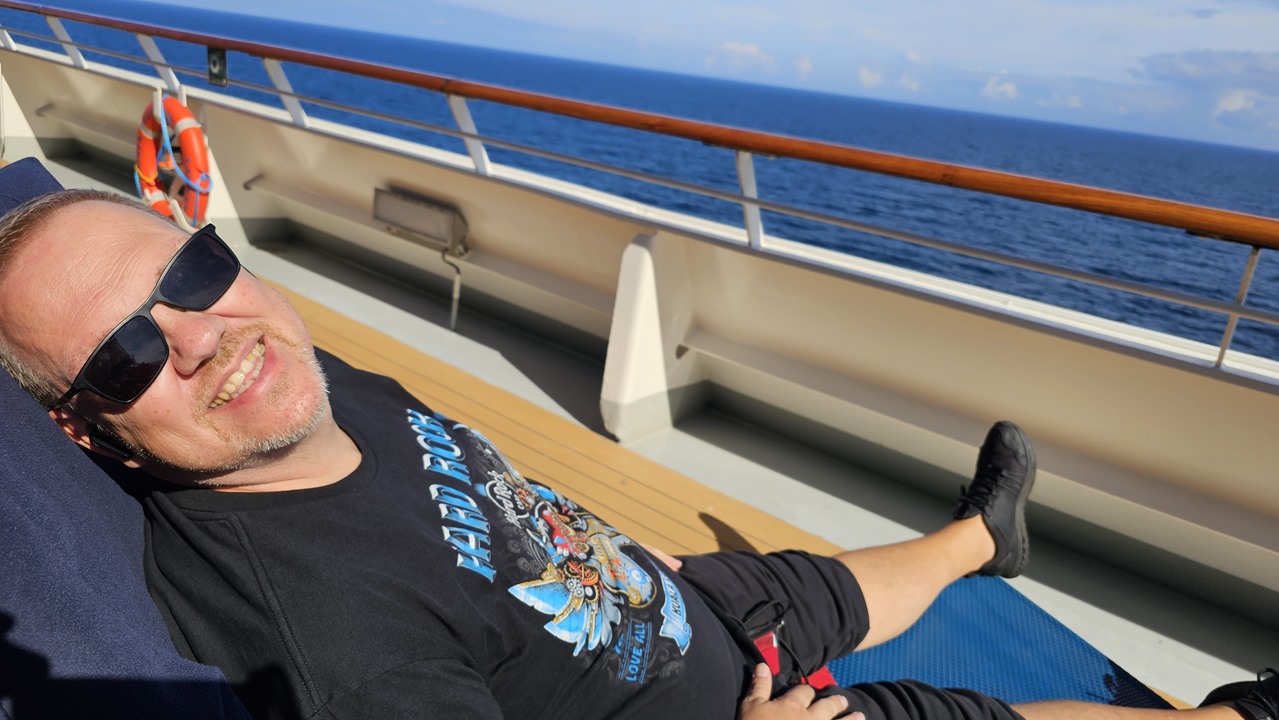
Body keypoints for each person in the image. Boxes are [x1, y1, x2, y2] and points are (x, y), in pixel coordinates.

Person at [0, 174, 1273, 720]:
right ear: (84, 427)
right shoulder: (338, 656)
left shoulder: (312, 381)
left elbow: (468, 492)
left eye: (191, 273)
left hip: (650, 599)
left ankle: (982, 537)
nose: (205, 339)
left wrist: (605, 550)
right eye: (124, 355)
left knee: (818, 585)